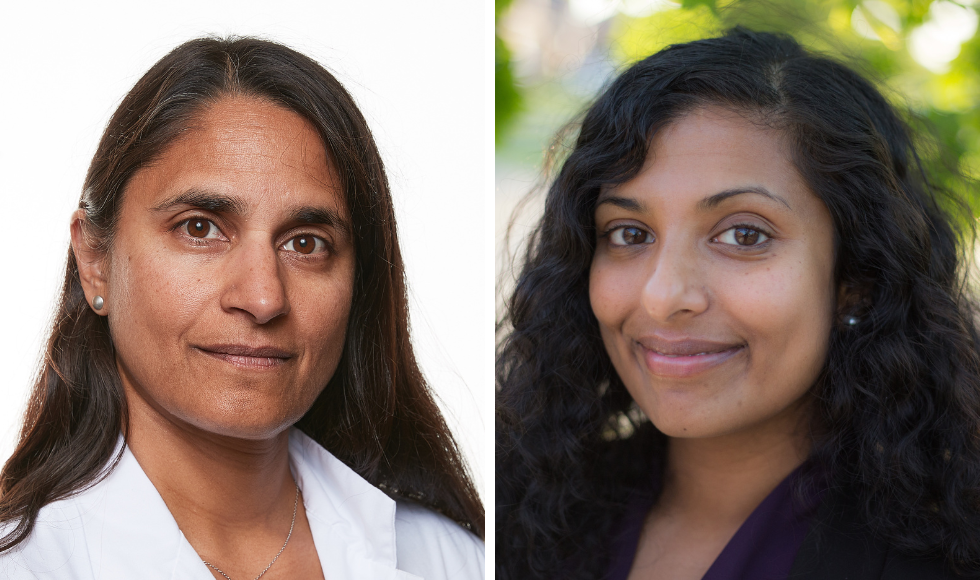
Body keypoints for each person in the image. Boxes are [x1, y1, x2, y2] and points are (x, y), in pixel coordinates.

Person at [496, 28, 980, 580]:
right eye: (630, 234)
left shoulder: (941, 558)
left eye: (744, 235)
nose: (662, 297)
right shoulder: (513, 517)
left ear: (857, 278)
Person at [0, 36, 484, 580]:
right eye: (200, 228)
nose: (262, 298)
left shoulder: (453, 561)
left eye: (305, 243)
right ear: (95, 260)